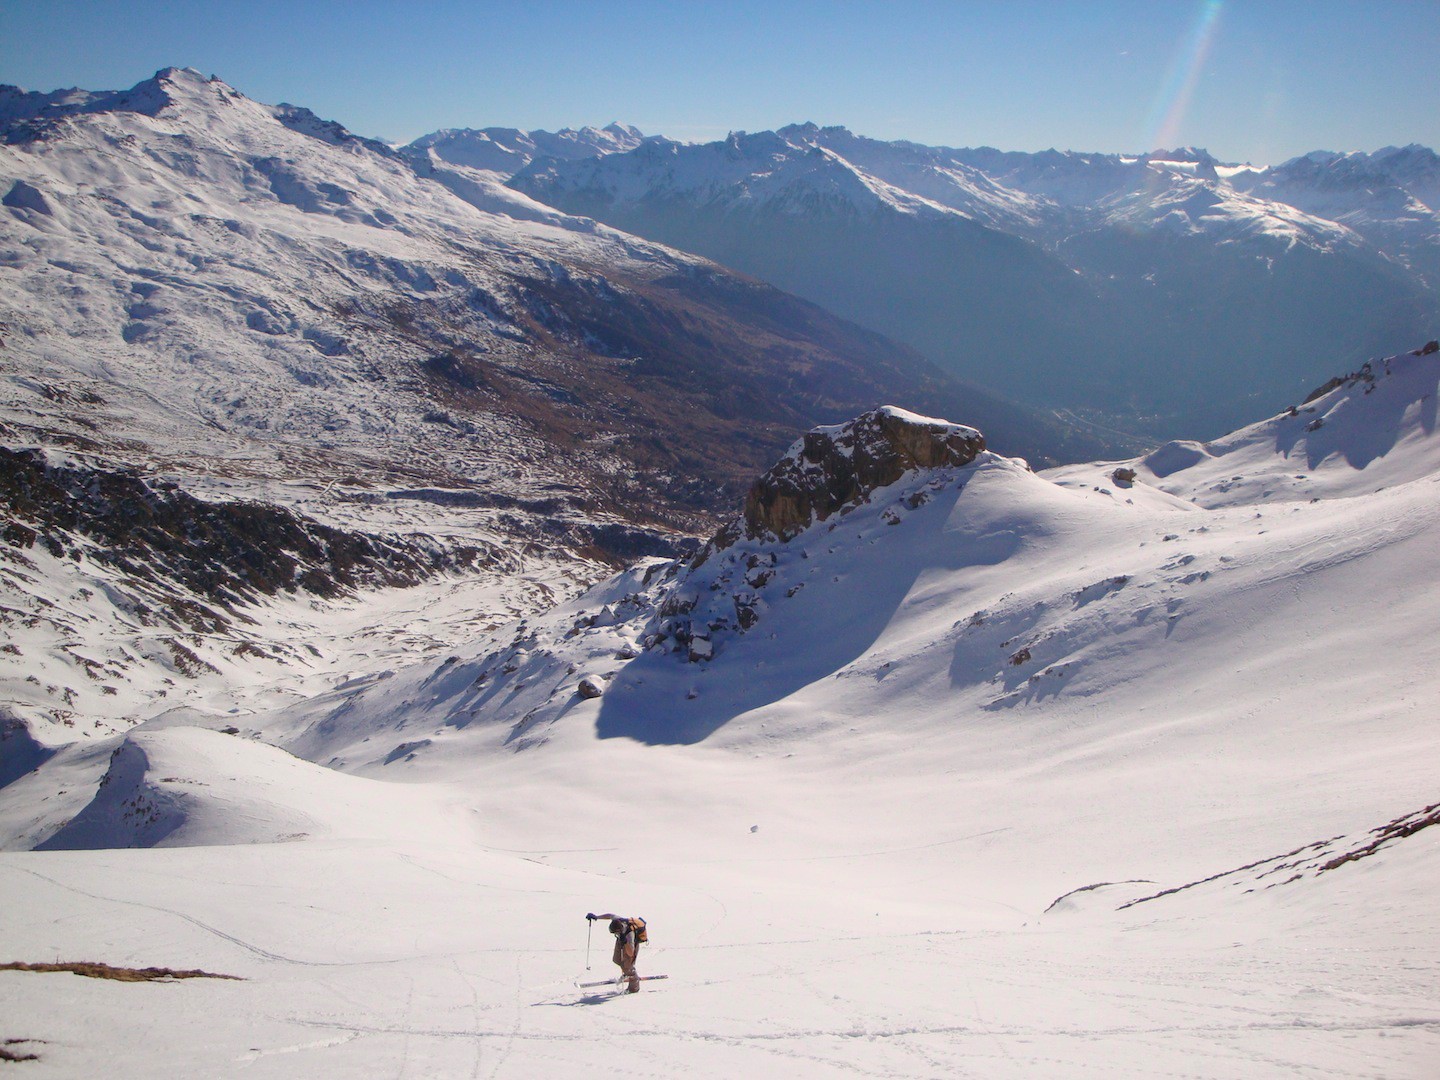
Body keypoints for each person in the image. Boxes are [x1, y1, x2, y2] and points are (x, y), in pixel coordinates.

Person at [587, 912, 643, 992]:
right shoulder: (617, 920)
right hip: (621, 940)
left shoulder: (629, 934)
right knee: (616, 959)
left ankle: (634, 986)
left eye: (615, 933)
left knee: (628, 966)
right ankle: (626, 973)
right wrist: (596, 917)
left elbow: (631, 952)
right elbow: (609, 915)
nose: (614, 934)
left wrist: (625, 942)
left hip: (631, 944)